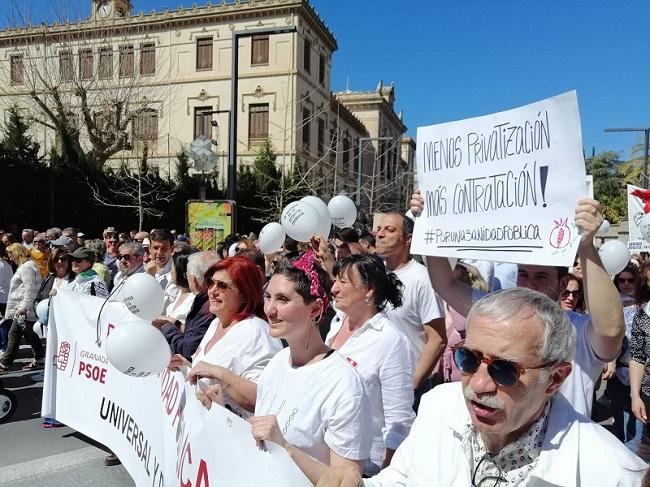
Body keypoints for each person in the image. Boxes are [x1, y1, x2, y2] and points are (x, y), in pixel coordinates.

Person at [308, 288, 645, 487]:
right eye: (468, 359)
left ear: (555, 379)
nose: (479, 384)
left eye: (504, 370)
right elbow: (400, 481)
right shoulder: (437, 407)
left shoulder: (612, 474)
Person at [410, 192, 625, 417]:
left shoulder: (578, 331)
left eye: (541, 277)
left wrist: (586, 246)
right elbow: (445, 284)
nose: (529, 284)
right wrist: (427, 224)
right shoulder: (498, 315)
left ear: (562, 284)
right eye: (523, 274)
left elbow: (610, 329)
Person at [246, 250, 372, 473]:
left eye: (282, 299)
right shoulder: (277, 363)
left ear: (314, 309)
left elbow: (346, 480)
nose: (269, 310)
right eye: (268, 297)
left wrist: (285, 448)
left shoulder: (343, 384)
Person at [327, 253, 415, 476]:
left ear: (369, 290)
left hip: (363, 467)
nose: (334, 288)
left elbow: (399, 420)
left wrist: (387, 473)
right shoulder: (337, 322)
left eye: (343, 282)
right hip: (325, 454)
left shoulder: (390, 340)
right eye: (335, 280)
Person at [173, 255, 282, 417]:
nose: (212, 291)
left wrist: (221, 374)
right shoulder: (216, 322)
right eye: (210, 282)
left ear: (244, 294)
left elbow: (265, 398)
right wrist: (187, 366)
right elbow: (210, 371)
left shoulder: (257, 333)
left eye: (222, 285)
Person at [374, 212, 447, 410]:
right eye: (379, 229)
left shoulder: (422, 280)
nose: (379, 234)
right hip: (375, 385)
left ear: (408, 239)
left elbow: (438, 339)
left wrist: (411, 386)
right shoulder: (376, 273)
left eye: (389, 230)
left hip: (408, 392)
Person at [153, 251, 219, 359]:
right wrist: (174, 323)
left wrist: (167, 327)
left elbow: (187, 350)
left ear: (194, 280)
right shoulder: (201, 301)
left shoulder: (209, 307)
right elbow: (192, 331)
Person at [0, 244, 43, 372]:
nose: (10, 257)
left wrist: (24, 306)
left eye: (11, 254)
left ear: (17, 253)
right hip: (24, 307)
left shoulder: (26, 267)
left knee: (14, 334)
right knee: (29, 334)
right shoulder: (28, 265)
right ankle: (40, 359)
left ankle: (5, 363)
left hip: (23, 308)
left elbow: (29, 287)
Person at [152, 248, 196, 330]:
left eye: (172, 268)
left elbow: (191, 331)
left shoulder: (194, 299)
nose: (170, 272)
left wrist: (170, 322)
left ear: (181, 272)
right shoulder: (179, 292)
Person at [145, 229, 177, 307]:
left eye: (164, 248)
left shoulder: (175, 272)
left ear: (172, 249)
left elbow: (165, 305)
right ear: (150, 249)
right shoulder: (146, 269)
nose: (159, 253)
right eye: (156, 248)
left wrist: (151, 279)